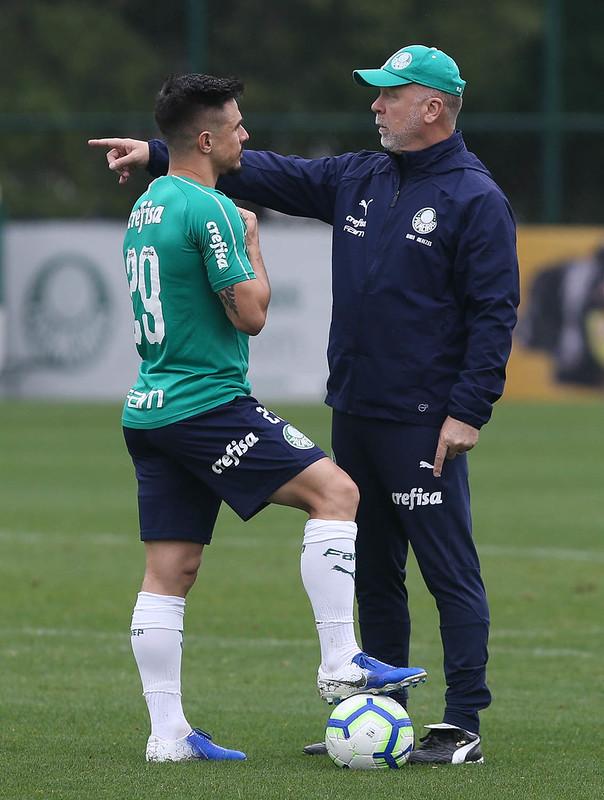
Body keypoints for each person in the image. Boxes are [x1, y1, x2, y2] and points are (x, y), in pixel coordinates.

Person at [89, 45, 519, 765]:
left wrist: (468, 410)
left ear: (433, 108)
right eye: (376, 95)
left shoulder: (474, 198)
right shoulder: (362, 176)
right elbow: (264, 171)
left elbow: (495, 312)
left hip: (425, 417)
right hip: (356, 406)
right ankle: (378, 719)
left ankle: (461, 721)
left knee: (448, 569)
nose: (376, 106)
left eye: (390, 95)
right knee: (373, 567)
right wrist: (163, 153)